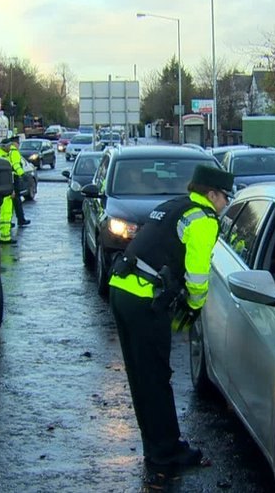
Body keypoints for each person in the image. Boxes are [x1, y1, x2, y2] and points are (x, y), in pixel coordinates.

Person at [107, 164, 234, 468]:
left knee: (142, 376)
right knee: (156, 376)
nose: (226, 204)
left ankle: (154, 444)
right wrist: (193, 307)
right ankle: (167, 452)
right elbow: (198, 274)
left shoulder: (174, 205)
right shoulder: (203, 220)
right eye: (225, 197)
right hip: (144, 299)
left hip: (121, 289)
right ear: (213, 194)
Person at [0, 142, 16, 245]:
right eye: (9, 145)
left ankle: (4, 236)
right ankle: (4, 237)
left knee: (5, 216)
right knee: (4, 215)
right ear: (3, 146)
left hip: (4, 188)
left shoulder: (5, 156)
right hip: (3, 190)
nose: (11, 147)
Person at [6, 137, 31, 227]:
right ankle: (21, 219)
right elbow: (16, 165)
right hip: (14, 179)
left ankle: (10, 221)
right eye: (18, 143)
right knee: (16, 201)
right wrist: (23, 174)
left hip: (8, 178)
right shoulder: (14, 152)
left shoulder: (8, 152)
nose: (19, 145)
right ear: (15, 143)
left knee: (12, 202)